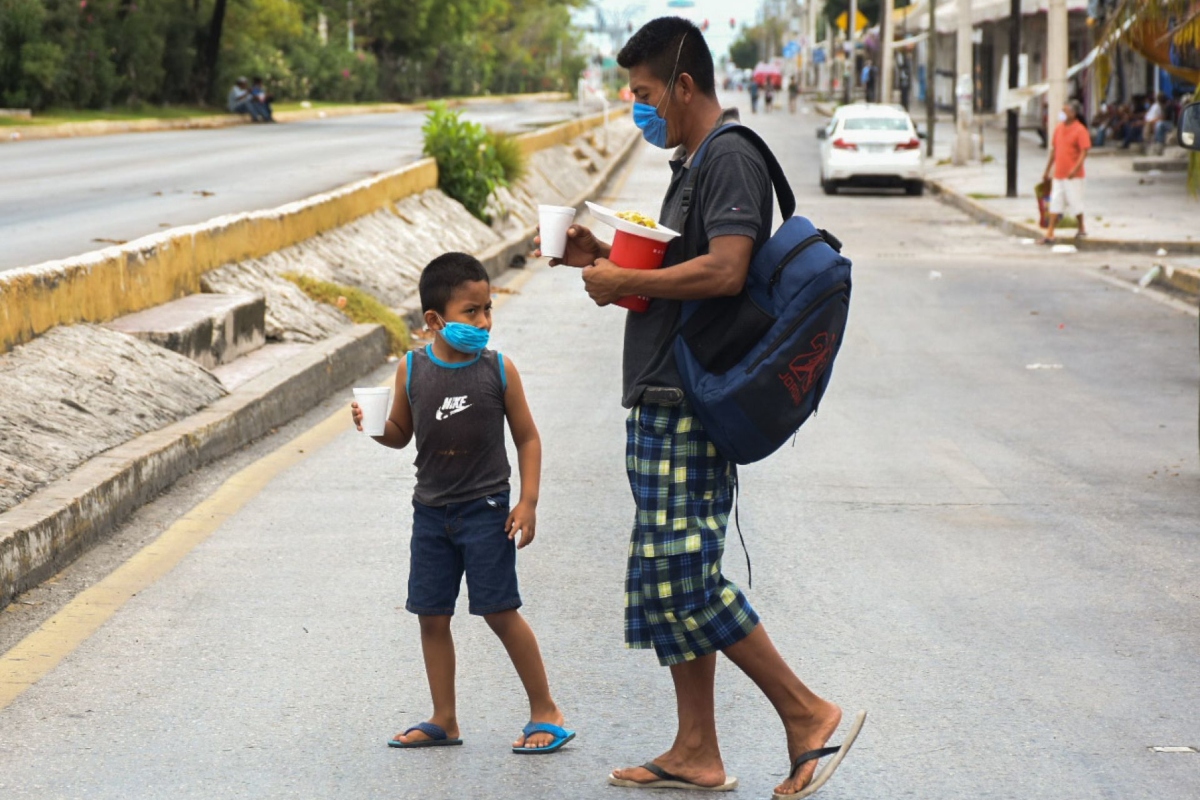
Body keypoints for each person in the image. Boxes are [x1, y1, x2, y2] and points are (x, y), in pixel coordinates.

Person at [539, 17, 863, 798]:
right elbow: (680, 273)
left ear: (684, 86)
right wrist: (607, 262)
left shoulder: (729, 159)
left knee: (684, 574)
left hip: (689, 399)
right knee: (667, 580)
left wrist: (625, 284)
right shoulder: (696, 161)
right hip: (663, 393)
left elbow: (724, 270)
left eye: (645, 94)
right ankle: (696, 750)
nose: (638, 109)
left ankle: (807, 713)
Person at [350, 253, 574, 754]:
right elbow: (401, 434)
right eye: (471, 312)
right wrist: (371, 425)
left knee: (499, 610)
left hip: (486, 509)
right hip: (430, 513)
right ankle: (444, 718)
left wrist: (528, 501)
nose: (484, 321)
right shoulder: (411, 370)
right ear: (435, 320)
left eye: (487, 309)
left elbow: (528, 439)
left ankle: (546, 710)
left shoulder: (498, 369)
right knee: (431, 615)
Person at [1040, 100, 1091, 245]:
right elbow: (1054, 151)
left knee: (1076, 203)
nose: (1062, 113)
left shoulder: (1080, 130)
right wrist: (1047, 170)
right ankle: (1050, 232)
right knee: (1055, 202)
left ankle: (1081, 226)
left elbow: (1084, 151)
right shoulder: (1058, 129)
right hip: (1059, 174)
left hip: (1073, 175)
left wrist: (1075, 169)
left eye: (1065, 111)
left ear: (1073, 114)